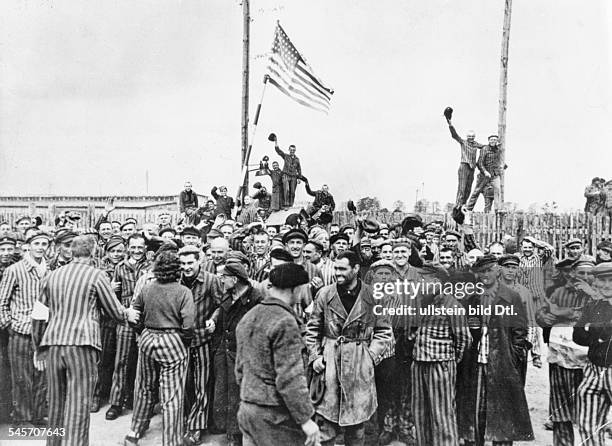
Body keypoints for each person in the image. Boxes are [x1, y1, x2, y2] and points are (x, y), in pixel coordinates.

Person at [32, 236, 140, 446]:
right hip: (82, 345)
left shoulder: (51, 276)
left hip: (53, 345)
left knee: (56, 404)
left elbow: (38, 316)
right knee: (79, 405)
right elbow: (115, 312)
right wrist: (128, 313)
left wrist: (38, 347)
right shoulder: (97, 276)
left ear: (71, 252)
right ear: (94, 253)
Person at [305, 250, 392, 446]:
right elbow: (312, 330)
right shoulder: (324, 294)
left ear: (355, 269)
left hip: (359, 364)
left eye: (343, 269)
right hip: (329, 364)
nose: (338, 273)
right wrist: (316, 357)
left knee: (356, 427)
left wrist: (370, 357)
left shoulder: (373, 296)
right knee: (325, 425)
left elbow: (383, 331)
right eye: (336, 268)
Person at [235, 263, 321, 446]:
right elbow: (290, 378)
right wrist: (305, 419)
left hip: (247, 408)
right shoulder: (285, 321)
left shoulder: (249, 316)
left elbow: (240, 370)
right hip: (273, 416)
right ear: (296, 289)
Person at [457, 254, 534, 445]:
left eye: (489, 270)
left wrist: (513, 356)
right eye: (481, 271)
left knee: (502, 411)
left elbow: (520, 331)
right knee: (476, 409)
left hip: (502, 362)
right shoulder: (471, 297)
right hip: (475, 361)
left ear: (497, 271)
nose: (485, 275)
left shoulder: (511, 296)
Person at [124, 251, 195, 446]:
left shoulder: (147, 287)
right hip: (172, 339)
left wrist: (140, 330)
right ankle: (171, 441)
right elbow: (188, 325)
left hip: (147, 338)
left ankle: (134, 432)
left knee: (144, 387)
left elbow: (134, 312)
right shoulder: (183, 292)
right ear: (177, 270)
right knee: (172, 394)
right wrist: (184, 341)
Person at [411, 267, 472, 446]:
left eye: (424, 280)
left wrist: (449, 360)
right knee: (420, 413)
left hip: (441, 365)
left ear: (437, 282)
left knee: (442, 414)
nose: (420, 285)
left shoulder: (452, 305)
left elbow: (464, 339)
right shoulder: (419, 302)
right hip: (419, 363)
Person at [537, 258, 594, 446]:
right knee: (560, 408)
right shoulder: (559, 292)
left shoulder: (600, 296)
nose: (585, 277)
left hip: (589, 360)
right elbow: (542, 315)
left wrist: (564, 313)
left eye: (589, 274)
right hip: (560, 355)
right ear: (573, 274)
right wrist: (546, 317)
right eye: (581, 273)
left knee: (589, 409)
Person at [0, 230, 50, 426]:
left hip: (44, 333)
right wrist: (9, 326)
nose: (40, 247)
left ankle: (38, 415)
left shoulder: (49, 270)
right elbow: (2, 302)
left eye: (44, 244)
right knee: (22, 378)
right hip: (20, 332)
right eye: (36, 243)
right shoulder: (15, 270)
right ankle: (22, 418)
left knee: (41, 376)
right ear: (27, 246)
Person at [211, 262, 263, 446]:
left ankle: (236, 435)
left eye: (224, 277)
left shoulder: (256, 298)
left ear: (235, 279)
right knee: (222, 391)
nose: (221, 280)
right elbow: (222, 312)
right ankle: (227, 429)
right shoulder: (229, 294)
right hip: (224, 351)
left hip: (242, 354)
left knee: (237, 395)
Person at [179, 246, 223, 446]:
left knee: (201, 384)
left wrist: (213, 319)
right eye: (183, 263)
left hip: (203, 339)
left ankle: (196, 427)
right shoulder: (176, 280)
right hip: (180, 341)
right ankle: (187, 419)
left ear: (199, 262)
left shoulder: (211, 280)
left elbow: (221, 304)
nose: (186, 267)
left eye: (190, 263)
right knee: (184, 382)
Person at [106, 233, 151, 420]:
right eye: (133, 247)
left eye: (140, 247)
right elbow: (114, 298)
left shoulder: (151, 267)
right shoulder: (119, 267)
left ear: (145, 249)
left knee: (143, 362)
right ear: (127, 248)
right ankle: (116, 402)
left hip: (145, 319)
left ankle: (137, 400)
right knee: (122, 360)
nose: (137, 250)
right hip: (125, 318)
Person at [572, 262, 612, 446]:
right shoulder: (594, 305)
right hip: (593, 370)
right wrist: (596, 340)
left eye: (610, 281)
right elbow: (578, 335)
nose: (605, 285)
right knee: (588, 424)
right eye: (601, 280)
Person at [446, 117, 484, 207]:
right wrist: (450, 124)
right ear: (467, 137)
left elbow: (485, 147)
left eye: (472, 137)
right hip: (464, 166)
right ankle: (458, 205)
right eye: (469, 137)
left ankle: (463, 204)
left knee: (468, 188)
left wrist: (495, 146)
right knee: (462, 188)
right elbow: (455, 135)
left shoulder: (476, 144)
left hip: (472, 168)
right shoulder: (463, 142)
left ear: (474, 137)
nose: (471, 138)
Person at [0, 235, 17, 422]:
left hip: (9, 325)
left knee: (8, 369)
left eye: (9, 249)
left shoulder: (16, 268)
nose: (6, 253)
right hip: (4, 323)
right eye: (2, 249)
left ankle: (6, 411)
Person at [466, 134, 506, 213]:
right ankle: (468, 209)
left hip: (494, 175)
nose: (493, 141)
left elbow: (499, 160)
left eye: (495, 140)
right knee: (476, 191)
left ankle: (498, 209)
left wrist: (503, 166)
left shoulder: (498, 150)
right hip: (484, 175)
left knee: (497, 190)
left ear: (497, 141)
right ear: (488, 140)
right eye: (491, 140)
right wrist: (485, 172)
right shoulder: (484, 149)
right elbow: (479, 163)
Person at [274, 142, 302, 208]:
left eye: (293, 150)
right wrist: (276, 144)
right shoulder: (286, 156)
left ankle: (290, 205)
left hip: (294, 177)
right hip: (286, 175)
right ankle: (286, 205)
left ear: (295, 150)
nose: (292, 151)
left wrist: (299, 178)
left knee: (292, 192)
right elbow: (279, 152)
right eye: (291, 150)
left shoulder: (297, 159)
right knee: (286, 190)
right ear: (289, 150)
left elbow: (299, 169)